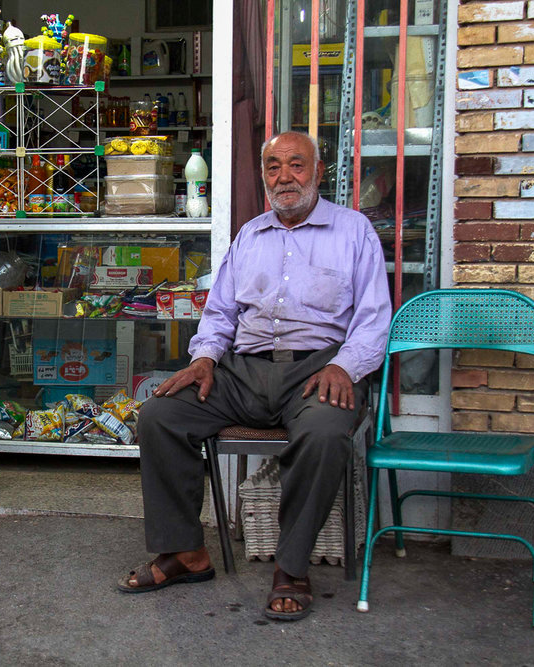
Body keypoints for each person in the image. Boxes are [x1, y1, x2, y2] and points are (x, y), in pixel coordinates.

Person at [117, 131, 392, 622]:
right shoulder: (250, 235)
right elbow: (220, 312)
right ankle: (186, 553)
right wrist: (204, 358)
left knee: (326, 434)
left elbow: (373, 320)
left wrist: (343, 366)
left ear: (318, 172)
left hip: (319, 370)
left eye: (296, 165)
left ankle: (290, 568)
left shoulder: (354, 231)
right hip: (245, 371)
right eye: (272, 166)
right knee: (160, 414)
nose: (284, 177)